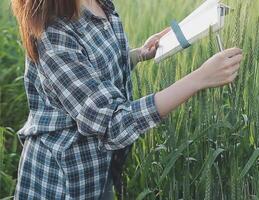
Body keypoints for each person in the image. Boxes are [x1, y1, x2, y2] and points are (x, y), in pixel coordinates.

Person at [11, 0, 243, 199]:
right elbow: (112, 123)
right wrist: (199, 79)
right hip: (62, 181)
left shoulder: (99, 4)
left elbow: (94, 72)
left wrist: (139, 54)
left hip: (100, 170)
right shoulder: (54, 34)